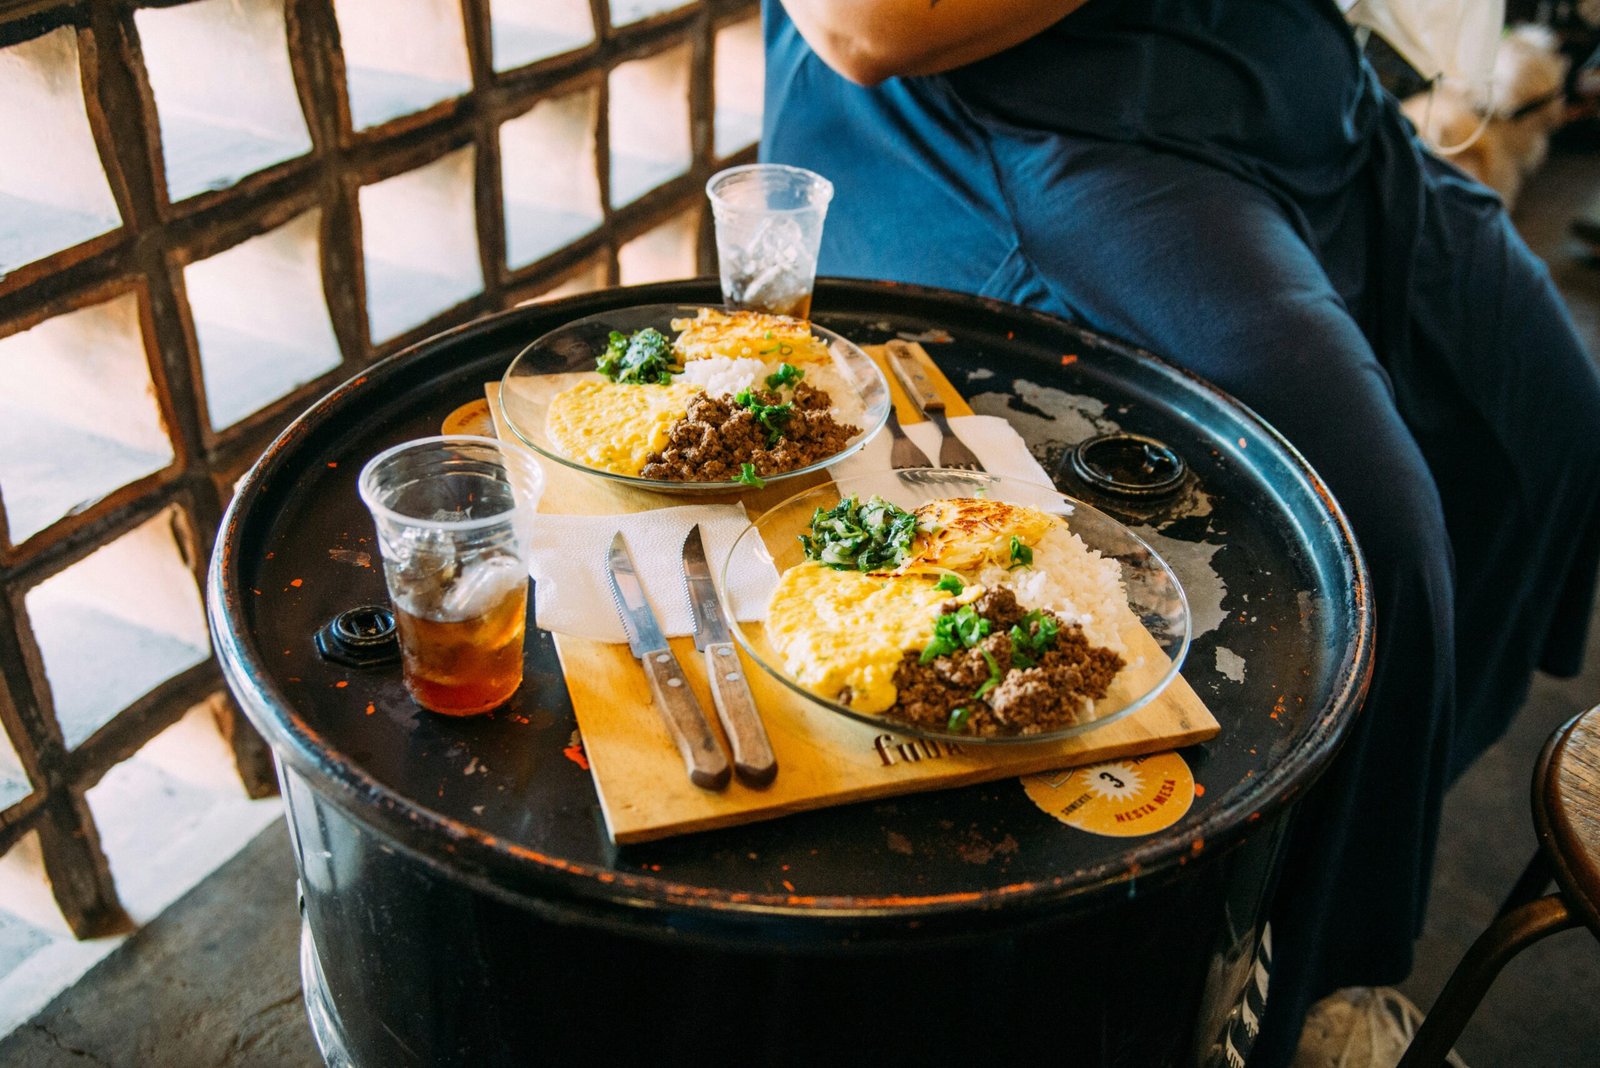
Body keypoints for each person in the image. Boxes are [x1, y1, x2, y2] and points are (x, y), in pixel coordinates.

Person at [760, 1, 1600, 1064]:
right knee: (1364, 533)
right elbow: (861, 27)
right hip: (1031, 124)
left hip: (1287, 90)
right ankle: (1270, 994)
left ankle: (1325, 867)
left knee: (1546, 429)